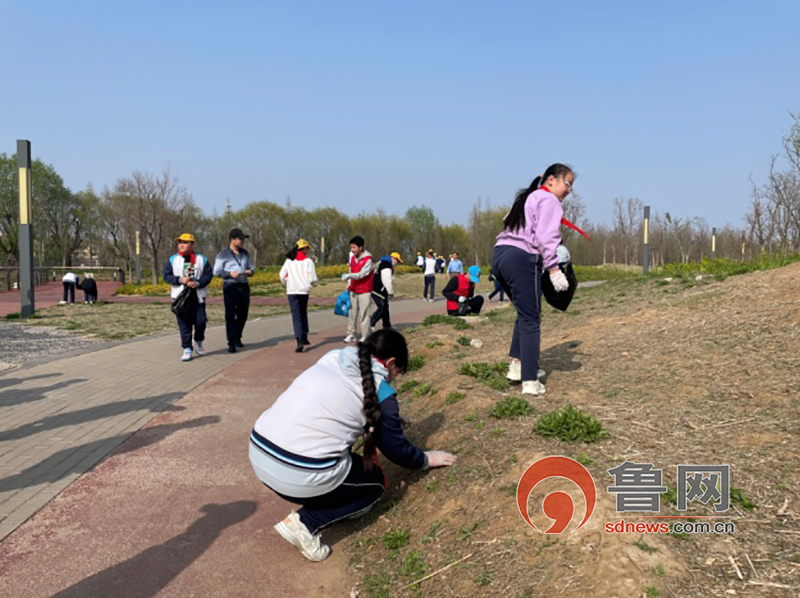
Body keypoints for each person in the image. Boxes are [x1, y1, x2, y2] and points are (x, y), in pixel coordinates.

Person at [248, 329, 457, 562]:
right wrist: (427, 459)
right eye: (398, 371)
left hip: (259, 452)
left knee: (345, 465)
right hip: (298, 473)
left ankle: (318, 498)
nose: (395, 377)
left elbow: (335, 403)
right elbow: (394, 449)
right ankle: (306, 524)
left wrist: (386, 418)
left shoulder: (334, 356)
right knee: (375, 484)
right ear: (391, 363)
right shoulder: (382, 393)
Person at [491, 163, 573, 396]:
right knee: (532, 319)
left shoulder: (527, 198)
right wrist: (554, 269)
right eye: (567, 184)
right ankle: (530, 380)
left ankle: (518, 366)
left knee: (524, 312)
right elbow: (546, 236)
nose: (568, 190)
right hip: (523, 257)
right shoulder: (549, 201)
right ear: (551, 180)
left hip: (500, 255)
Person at [163, 233, 213, 362]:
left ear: (193, 244)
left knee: (200, 322)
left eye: (185, 242)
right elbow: (166, 276)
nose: (181, 245)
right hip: (180, 298)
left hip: (198, 297)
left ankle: (199, 340)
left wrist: (198, 283)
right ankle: (187, 348)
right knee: (184, 324)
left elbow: (208, 276)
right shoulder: (173, 259)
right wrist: (180, 279)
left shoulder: (202, 259)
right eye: (179, 242)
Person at [213, 228, 255, 353]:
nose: (242, 241)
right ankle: (231, 342)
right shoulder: (222, 254)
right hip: (230, 286)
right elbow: (216, 271)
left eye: (243, 239)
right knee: (230, 314)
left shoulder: (245, 253)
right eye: (240, 239)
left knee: (243, 314)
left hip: (243, 285)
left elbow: (251, 268)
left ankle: (238, 336)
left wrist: (250, 272)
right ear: (232, 240)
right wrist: (229, 274)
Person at [280, 239, 318, 353]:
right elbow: (312, 278)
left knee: (296, 315)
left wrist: (287, 282)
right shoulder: (308, 262)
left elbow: (282, 275)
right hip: (303, 291)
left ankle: (299, 339)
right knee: (303, 312)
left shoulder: (289, 261)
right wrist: (312, 283)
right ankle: (304, 335)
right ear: (305, 248)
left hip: (292, 291)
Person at [341, 236, 374, 343]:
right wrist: (349, 283)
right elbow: (351, 270)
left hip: (365, 290)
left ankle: (365, 335)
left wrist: (349, 276)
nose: (352, 250)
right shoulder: (352, 259)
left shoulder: (368, 260)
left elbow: (362, 274)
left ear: (360, 247)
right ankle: (351, 334)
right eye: (351, 248)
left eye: (354, 247)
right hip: (354, 290)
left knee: (364, 314)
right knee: (352, 313)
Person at [371, 252, 402, 330]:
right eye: (397, 261)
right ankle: (370, 323)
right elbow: (387, 280)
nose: (397, 263)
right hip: (378, 289)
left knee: (385, 307)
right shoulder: (386, 265)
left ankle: (387, 325)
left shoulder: (381, 262)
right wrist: (390, 292)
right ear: (393, 258)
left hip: (376, 288)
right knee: (382, 307)